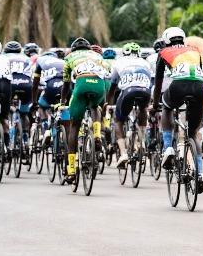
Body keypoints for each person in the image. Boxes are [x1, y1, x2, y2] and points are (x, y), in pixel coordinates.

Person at [151, 26, 203, 191]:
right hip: (199, 88)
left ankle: (168, 147)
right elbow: (198, 71)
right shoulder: (195, 50)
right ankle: (201, 175)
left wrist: (155, 104)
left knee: (166, 107)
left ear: (166, 40)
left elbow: (159, 81)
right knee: (193, 133)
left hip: (178, 87)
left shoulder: (163, 52)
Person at [60, 37, 109, 181]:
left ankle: (70, 169)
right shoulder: (97, 56)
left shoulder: (69, 57)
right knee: (94, 106)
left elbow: (66, 84)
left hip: (81, 85)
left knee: (74, 126)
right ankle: (97, 134)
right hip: (100, 86)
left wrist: (63, 102)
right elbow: (107, 77)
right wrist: (104, 101)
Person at [106, 42, 153, 162]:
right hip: (145, 91)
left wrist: (107, 103)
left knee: (118, 121)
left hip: (128, 91)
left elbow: (113, 87)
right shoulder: (145, 62)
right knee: (142, 109)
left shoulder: (119, 62)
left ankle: (123, 154)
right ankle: (141, 141)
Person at [4, 40, 35, 148]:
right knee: (24, 113)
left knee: (5, 111)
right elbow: (33, 74)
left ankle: (8, 138)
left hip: (10, 85)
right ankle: (26, 139)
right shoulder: (27, 59)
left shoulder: (3, 58)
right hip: (26, 85)